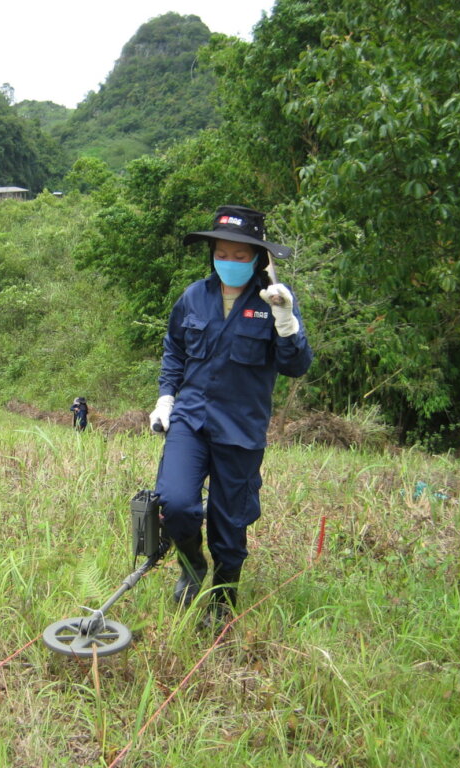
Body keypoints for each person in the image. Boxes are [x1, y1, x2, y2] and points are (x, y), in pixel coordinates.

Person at [148, 205, 313, 625]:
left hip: (240, 429)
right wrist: (166, 397)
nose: (231, 262)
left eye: (241, 256)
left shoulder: (275, 301)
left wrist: (285, 319)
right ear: (213, 254)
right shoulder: (193, 297)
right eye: (223, 253)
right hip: (190, 420)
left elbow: (296, 366)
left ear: (259, 258)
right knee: (177, 502)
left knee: (230, 520)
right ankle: (190, 567)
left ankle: (223, 598)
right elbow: (175, 350)